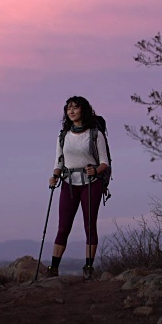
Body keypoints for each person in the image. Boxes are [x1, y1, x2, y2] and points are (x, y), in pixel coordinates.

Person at [47, 96, 109, 279]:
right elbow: (59, 161)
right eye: (68, 108)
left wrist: (96, 170)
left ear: (84, 110)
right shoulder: (63, 135)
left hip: (91, 184)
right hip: (68, 183)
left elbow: (105, 162)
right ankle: (53, 269)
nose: (71, 111)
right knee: (63, 227)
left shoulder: (96, 134)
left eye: (75, 108)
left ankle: (88, 267)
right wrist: (54, 176)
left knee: (89, 226)